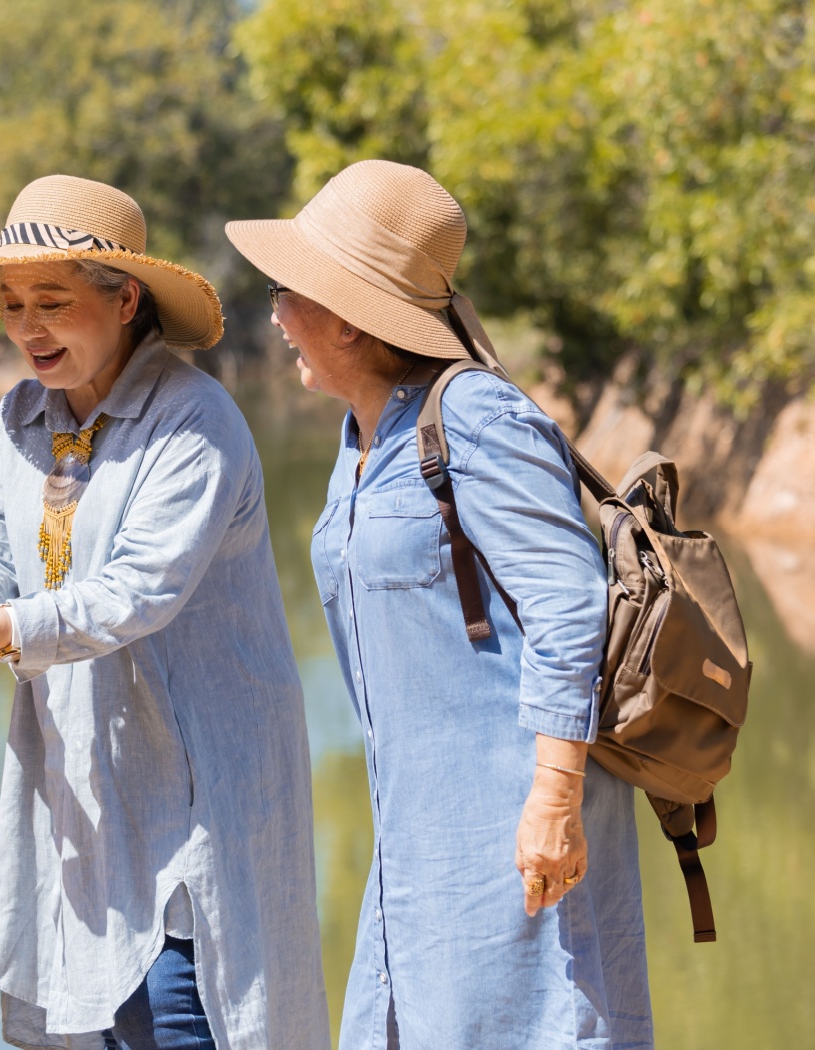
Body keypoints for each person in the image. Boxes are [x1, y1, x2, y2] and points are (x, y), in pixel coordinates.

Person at [0, 175, 329, 1050]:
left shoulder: (194, 422)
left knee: (182, 1005)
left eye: (52, 301)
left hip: (195, 788)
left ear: (125, 299)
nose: (27, 327)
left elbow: (136, 592)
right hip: (80, 783)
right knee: (101, 1016)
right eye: (13, 304)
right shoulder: (22, 415)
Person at [223, 159, 653, 1048]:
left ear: (345, 316)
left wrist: (553, 799)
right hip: (415, 842)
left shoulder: (479, 420)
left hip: (513, 830)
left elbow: (570, 605)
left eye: (284, 290)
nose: (275, 315)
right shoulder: (359, 438)